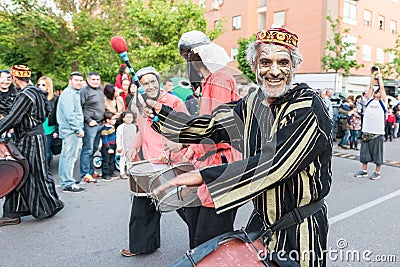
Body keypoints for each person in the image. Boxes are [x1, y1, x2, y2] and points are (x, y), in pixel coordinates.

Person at [150, 28, 332, 266]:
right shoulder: (252, 103)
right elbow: (212, 126)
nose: (274, 71)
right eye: (265, 62)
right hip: (262, 227)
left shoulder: (308, 106)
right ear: (255, 65)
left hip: (301, 231)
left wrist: (205, 176)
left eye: (283, 62)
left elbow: (275, 165)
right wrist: (164, 116)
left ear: (294, 66)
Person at [174, 29, 241, 249]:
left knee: (210, 241)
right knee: (205, 233)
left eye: (187, 58)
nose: (187, 63)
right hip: (213, 162)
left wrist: (185, 141)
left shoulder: (219, 77)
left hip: (221, 164)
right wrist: (192, 149)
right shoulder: (212, 78)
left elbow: (217, 126)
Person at [120, 66, 189, 257]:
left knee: (186, 206)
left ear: (158, 81)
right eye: (145, 83)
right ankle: (142, 246)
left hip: (172, 162)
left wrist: (170, 149)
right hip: (150, 162)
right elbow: (143, 131)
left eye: (153, 81)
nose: (150, 86)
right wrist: (134, 146)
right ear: (139, 86)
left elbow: (185, 129)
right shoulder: (139, 104)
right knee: (143, 206)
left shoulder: (173, 101)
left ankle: (204, 244)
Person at [0, 65, 64, 226]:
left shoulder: (26, 95)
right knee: (29, 172)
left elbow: (12, 118)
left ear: (15, 78)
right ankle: (14, 211)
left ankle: (47, 206)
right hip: (37, 136)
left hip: (30, 139)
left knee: (23, 173)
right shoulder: (37, 92)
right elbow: (44, 113)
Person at [354, 66, 387, 180]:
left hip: (377, 132)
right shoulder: (369, 100)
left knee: (377, 153)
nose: (376, 92)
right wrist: (372, 74)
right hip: (366, 131)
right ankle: (364, 170)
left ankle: (377, 172)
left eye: (378, 92)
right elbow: (371, 87)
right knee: (365, 153)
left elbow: (381, 88)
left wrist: (379, 75)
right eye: (375, 91)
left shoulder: (383, 102)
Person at [57, 72, 86, 192]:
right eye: (76, 80)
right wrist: (78, 129)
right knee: (68, 157)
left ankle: (67, 179)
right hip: (70, 131)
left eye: (80, 80)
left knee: (69, 157)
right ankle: (67, 183)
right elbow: (69, 114)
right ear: (70, 81)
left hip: (72, 130)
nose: (79, 82)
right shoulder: (68, 94)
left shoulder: (74, 93)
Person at [80, 72, 104, 183]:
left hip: (100, 124)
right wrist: (89, 120)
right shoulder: (84, 91)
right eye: (93, 79)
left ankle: (91, 170)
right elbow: (80, 107)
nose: (96, 81)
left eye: (97, 79)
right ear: (88, 80)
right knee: (87, 149)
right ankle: (85, 173)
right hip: (90, 125)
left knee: (94, 149)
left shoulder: (99, 90)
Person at [37, 76, 59, 168]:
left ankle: (45, 169)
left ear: (48, 86)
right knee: (37, 151)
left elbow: (58, 115)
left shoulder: (55, 98)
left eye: (43, 84)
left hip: (49, 128)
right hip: (37, 128)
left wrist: (57, 130)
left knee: (47, 151)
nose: (40, 86)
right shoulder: (35, 96)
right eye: (38, 84)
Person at [116, 111, 137, 179]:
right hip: (123, 146)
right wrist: (119, 147)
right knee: (123, 160)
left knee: (130, 160)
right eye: (127, 117)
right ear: (123, 118)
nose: (129, 119)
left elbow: (135, 137)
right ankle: (122, 172)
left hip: (130, 146)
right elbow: (118, 138)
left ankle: (129, 171)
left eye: (131, 117)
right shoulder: (120, 127)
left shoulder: (134, 127)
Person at [100, 111, 118, 181]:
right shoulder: (105, 129)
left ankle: (111, 172)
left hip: (113, 145)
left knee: (112, 160)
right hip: (107, 147)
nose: (115, 121)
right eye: (113, 119)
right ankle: (105, 174)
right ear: (108, 120)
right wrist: (108, 148)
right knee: (106, 161)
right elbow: (105, 140)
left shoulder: (112, 127)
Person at [0, 70, 17, 139]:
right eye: (2, 78)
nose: (6, 81)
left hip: (12, 132)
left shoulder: (17, 95)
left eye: (8, 79)